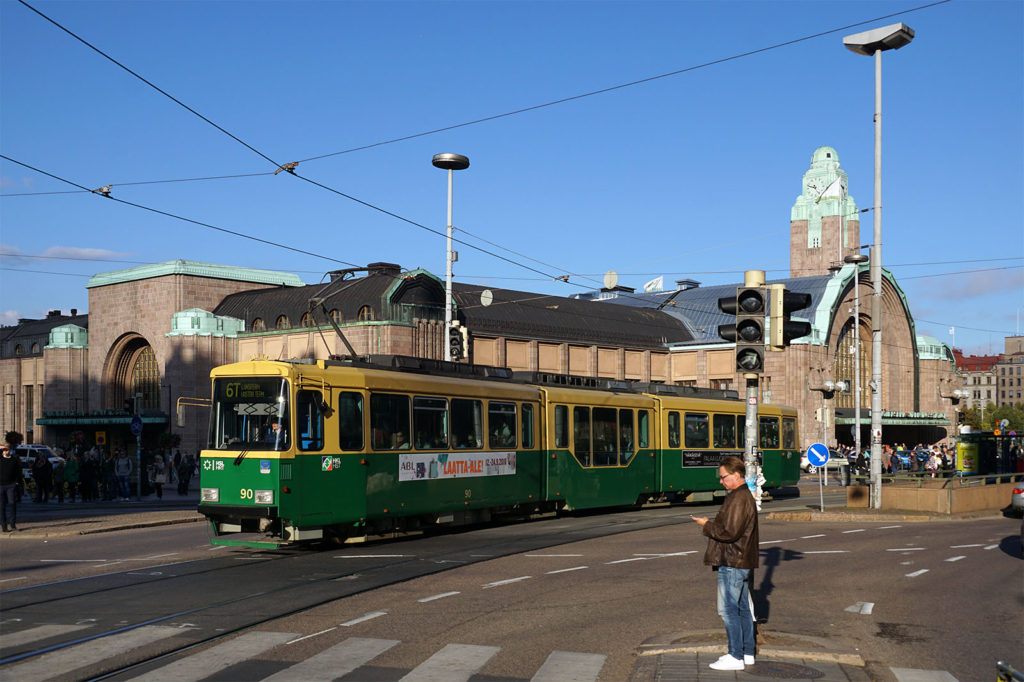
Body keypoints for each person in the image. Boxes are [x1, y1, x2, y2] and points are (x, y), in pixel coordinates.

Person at [690, 456, 759, 671]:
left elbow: (729, 532)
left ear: (736, 475)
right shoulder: (743, 495)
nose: (721, 481)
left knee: (729, 610)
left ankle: (735, 655)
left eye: (724, 477)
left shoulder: (738, 498)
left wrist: (706, 524)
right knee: (743, 609)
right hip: (742, 560)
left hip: (733, 561)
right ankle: (747, 653)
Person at [1, 432, 25, 532]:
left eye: (8, 449)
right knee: (1, 506)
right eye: (5, 450)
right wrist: (2, 447)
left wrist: (17, 482)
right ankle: (4, 526)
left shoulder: (14, 459)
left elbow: (18, 472)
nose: (6, 451)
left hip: (11, 485)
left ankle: (13, 524)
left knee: (12, 504)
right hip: (0, 485)